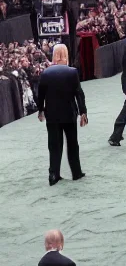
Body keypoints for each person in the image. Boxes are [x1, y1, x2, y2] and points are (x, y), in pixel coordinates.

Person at [37, 43, 87, 186]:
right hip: (69, 113)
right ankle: (76, 173)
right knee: (72, 144)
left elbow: (40, 95)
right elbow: (79, 93)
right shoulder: (72, 72)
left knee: (54, 145)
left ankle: (53, 174)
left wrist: (40, 110)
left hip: (52, 115)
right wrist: (83, 111)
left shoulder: (46, 73)